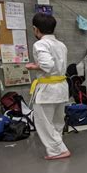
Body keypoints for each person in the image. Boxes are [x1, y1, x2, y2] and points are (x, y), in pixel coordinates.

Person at [26, 13, 71, 160]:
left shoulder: (40, 44)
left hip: (48, 89)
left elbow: (47, 65)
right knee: (57, 121)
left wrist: (34, 67)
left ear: (35, 29)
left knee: (43, 122)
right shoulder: (61, 45)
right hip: (61, 87)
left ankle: (58, 150)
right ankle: (57, 146)